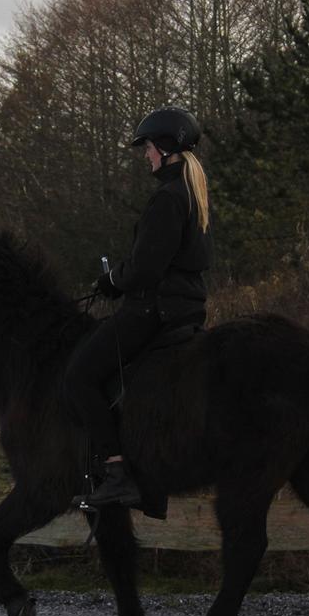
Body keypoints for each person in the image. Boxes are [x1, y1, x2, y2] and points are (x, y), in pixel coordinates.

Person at [65, 106, 212, 511]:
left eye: (147, 148)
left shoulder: (167, 198)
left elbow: (146, 268)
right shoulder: (193, 193)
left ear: (165, 148)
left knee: (78, 376)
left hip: (153, 311)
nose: (146, 155)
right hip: (184, 311)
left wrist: (111, 281)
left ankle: (116, 473)